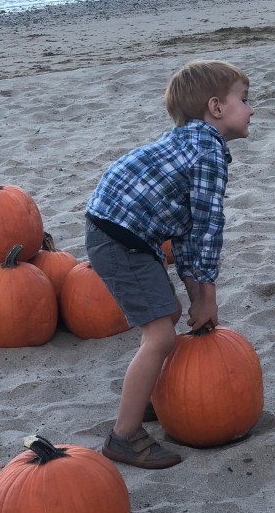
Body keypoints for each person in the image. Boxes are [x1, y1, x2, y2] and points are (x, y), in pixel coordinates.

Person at [85, 60, 253, 470]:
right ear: (216, 107)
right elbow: (207, 229)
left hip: (120, 229)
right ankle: (124, 435)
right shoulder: (208, 153)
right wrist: (207, 294)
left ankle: (149, 396)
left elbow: (184, 230)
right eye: (244, 100)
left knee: (170, 314)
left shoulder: (187, 142)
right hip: (119, 238)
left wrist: (197, 295)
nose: (251, 109)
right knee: (160, 334)